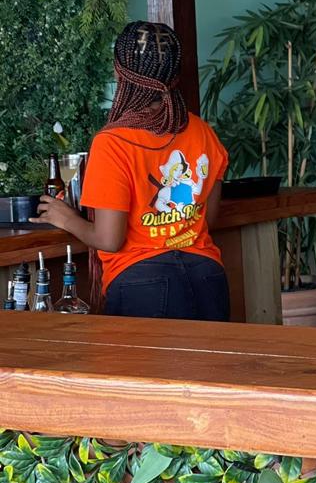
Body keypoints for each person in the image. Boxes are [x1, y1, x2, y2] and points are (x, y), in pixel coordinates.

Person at [32, 21, 230, 320]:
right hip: (207, 275)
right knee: (212, 368)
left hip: (143, 284)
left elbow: (110, 239)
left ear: (118, 72)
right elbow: (208, 217)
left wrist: (67, 218)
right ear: (175, 75)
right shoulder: (202, 132)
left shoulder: (113, 142)